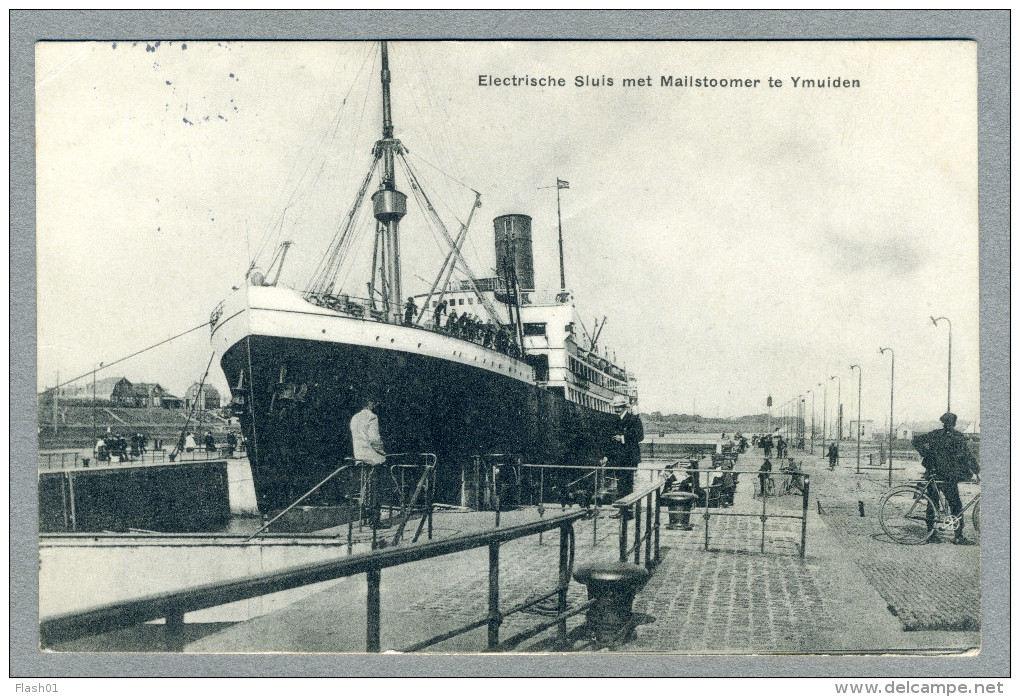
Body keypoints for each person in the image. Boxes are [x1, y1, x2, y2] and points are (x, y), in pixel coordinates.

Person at [912, 412, 979, 544]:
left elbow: (915, 441)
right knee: (956, 505)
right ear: (954, 423)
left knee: (932, 504)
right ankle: (958, 536)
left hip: (933, 473)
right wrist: (977, 471)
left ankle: (931, 534)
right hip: (948, 477)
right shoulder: (957, 436)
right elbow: (967, 456)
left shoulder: (935, 434)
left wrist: (926, 454)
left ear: (943, 422)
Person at [350, 396, 387, 527]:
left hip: (359, 456)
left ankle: (365, 516)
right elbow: (374, 439)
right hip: (372, 457)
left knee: (365, 487)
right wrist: (383, 452)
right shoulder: (372, 417)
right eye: (375, 402)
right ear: (370, 403)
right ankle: (375, 521)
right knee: (375, 489)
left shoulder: (355, 418)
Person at [601, 395, 644, 503]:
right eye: (615, 407)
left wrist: (623, 438)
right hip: (617, 458)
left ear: (625, 406)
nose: (617, 409)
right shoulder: (613, 420)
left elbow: (640, 436)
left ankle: (627, 512)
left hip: (629, 458)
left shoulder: (633, 419)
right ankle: (622, 510)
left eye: (619, 407)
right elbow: (609, 440)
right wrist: (606, 455)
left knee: (627, 485)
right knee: (620, 484)